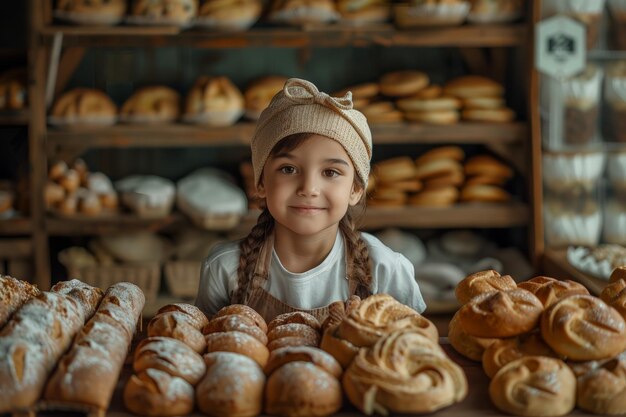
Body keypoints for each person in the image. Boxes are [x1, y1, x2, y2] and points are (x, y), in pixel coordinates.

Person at [195, 78, 426, 322]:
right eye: (288, 169)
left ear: (356, 189)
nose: (309, 188)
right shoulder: (224, 268)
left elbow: (414, 346)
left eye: (330, 172)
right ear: (260, 182)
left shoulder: (385, 269)